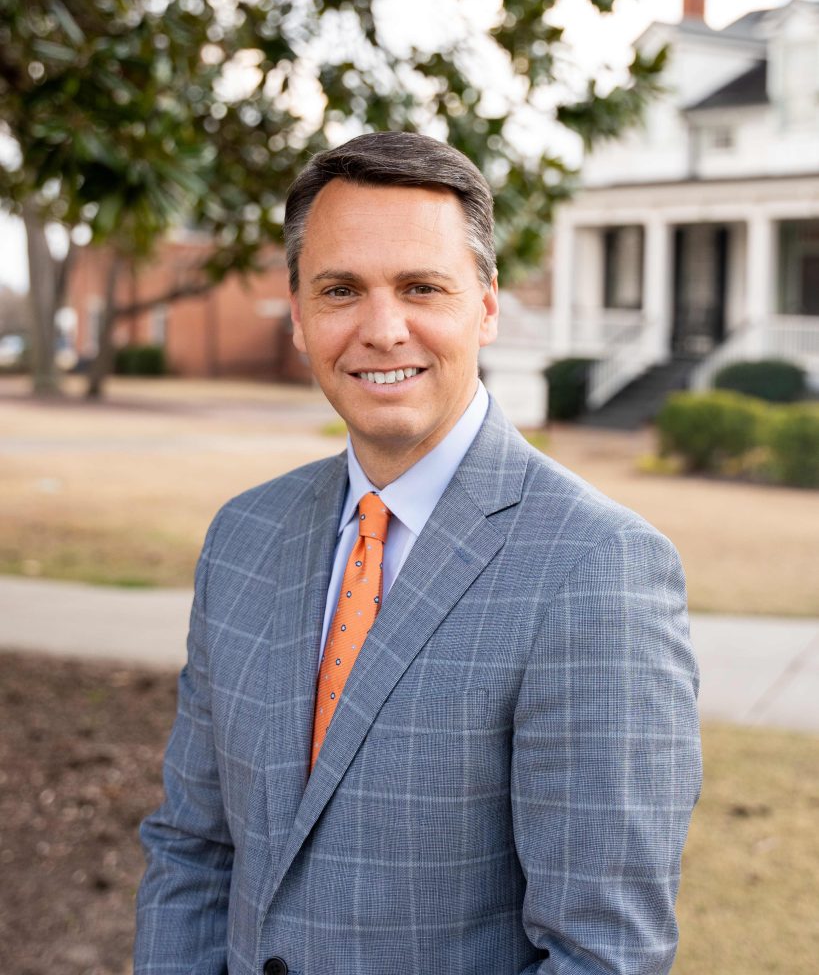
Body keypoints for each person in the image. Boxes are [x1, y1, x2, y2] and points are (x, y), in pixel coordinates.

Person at [134, 131, 701, 975]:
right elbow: (193, 849)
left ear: (486, 307)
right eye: (340, 290)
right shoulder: (243, 536)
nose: (382, 329)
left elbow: (601, 952)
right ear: (299, 316)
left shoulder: (596, 569)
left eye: (421, 287)